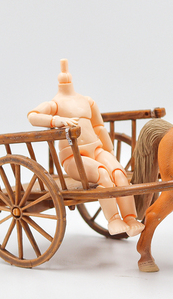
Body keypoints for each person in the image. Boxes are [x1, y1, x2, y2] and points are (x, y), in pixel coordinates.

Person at [28, 59, 144, 237]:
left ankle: (130, 218)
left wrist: (109, 152)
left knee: (119, 173)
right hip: (73, 157)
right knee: (103, 174)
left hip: (97, 149)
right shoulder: (55, 104)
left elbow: (99, 127)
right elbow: (32, 116)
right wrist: (56, 121)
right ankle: (113, 219)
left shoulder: (87, 101)